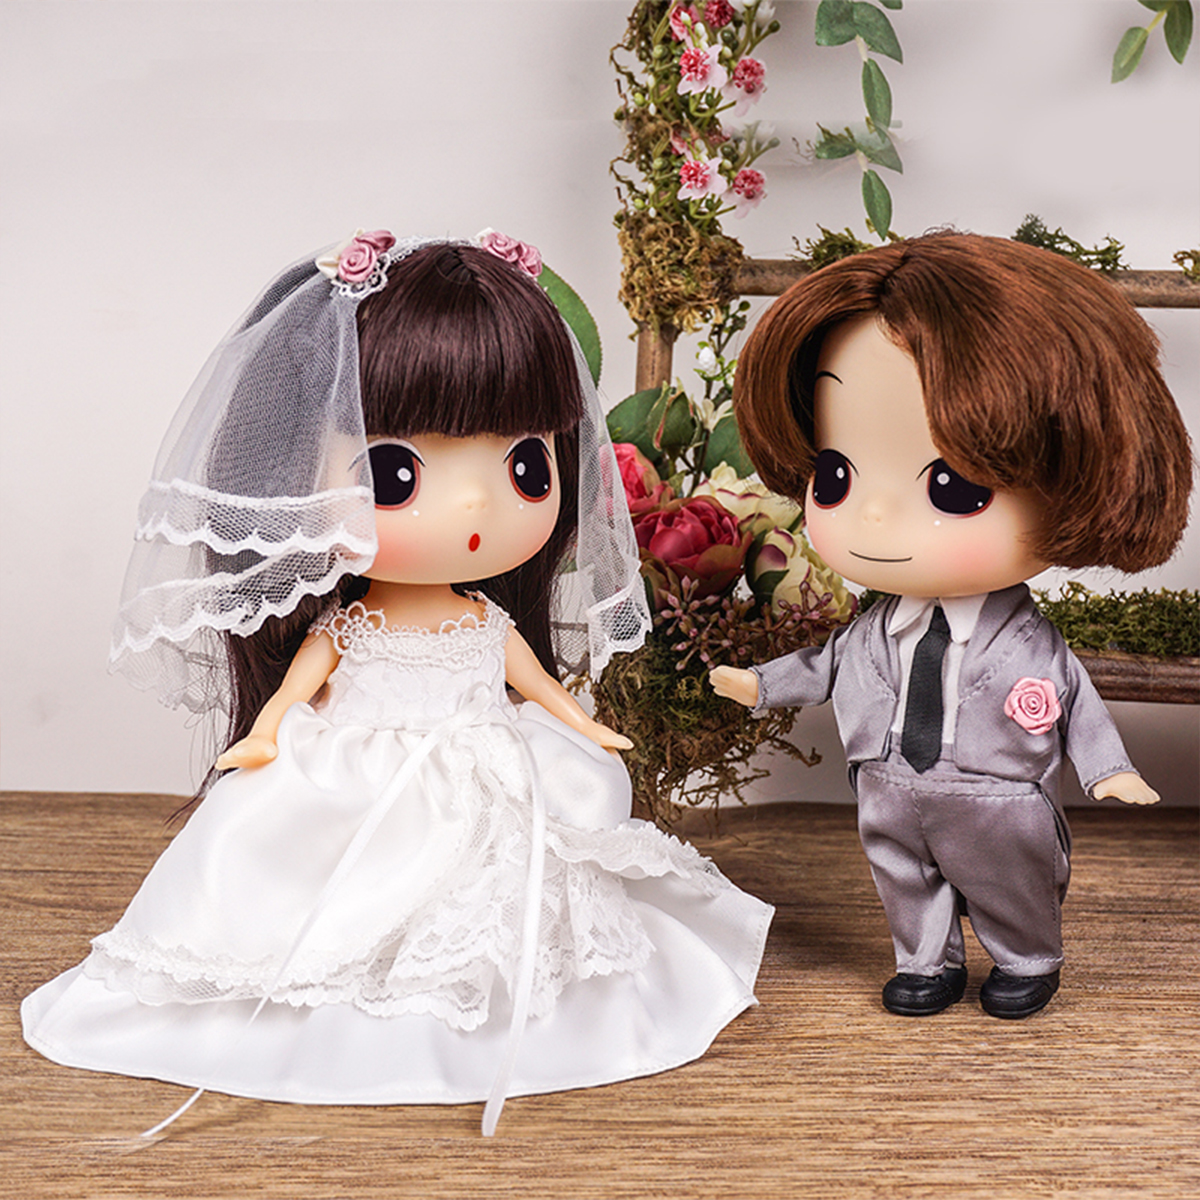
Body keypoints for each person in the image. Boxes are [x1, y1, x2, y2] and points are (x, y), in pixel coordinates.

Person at [23, 231, 773, 1135]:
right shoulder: (350, 627)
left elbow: (535, 683)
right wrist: (264, 735)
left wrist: (585, 725)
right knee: (318, 882)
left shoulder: (484, 620)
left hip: (487, 765)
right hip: (358, 774)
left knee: (510, 890)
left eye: (524, 466)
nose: (475, 507)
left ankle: (494, 1004)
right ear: (296, 482)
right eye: (396, 472)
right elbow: (296, 689)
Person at [710, 232, 1191, 1019]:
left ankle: (1027, 958)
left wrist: (1110, 769)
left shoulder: (1029, 646)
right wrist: (757, 685)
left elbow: (1077, 704)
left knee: (1013, 883)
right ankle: (924, 961)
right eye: (836, 474)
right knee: (904, 879)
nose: (872, 513)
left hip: (999, 798)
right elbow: (822, 666)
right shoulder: (873, 632)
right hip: (887, 787)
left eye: (953, 486)